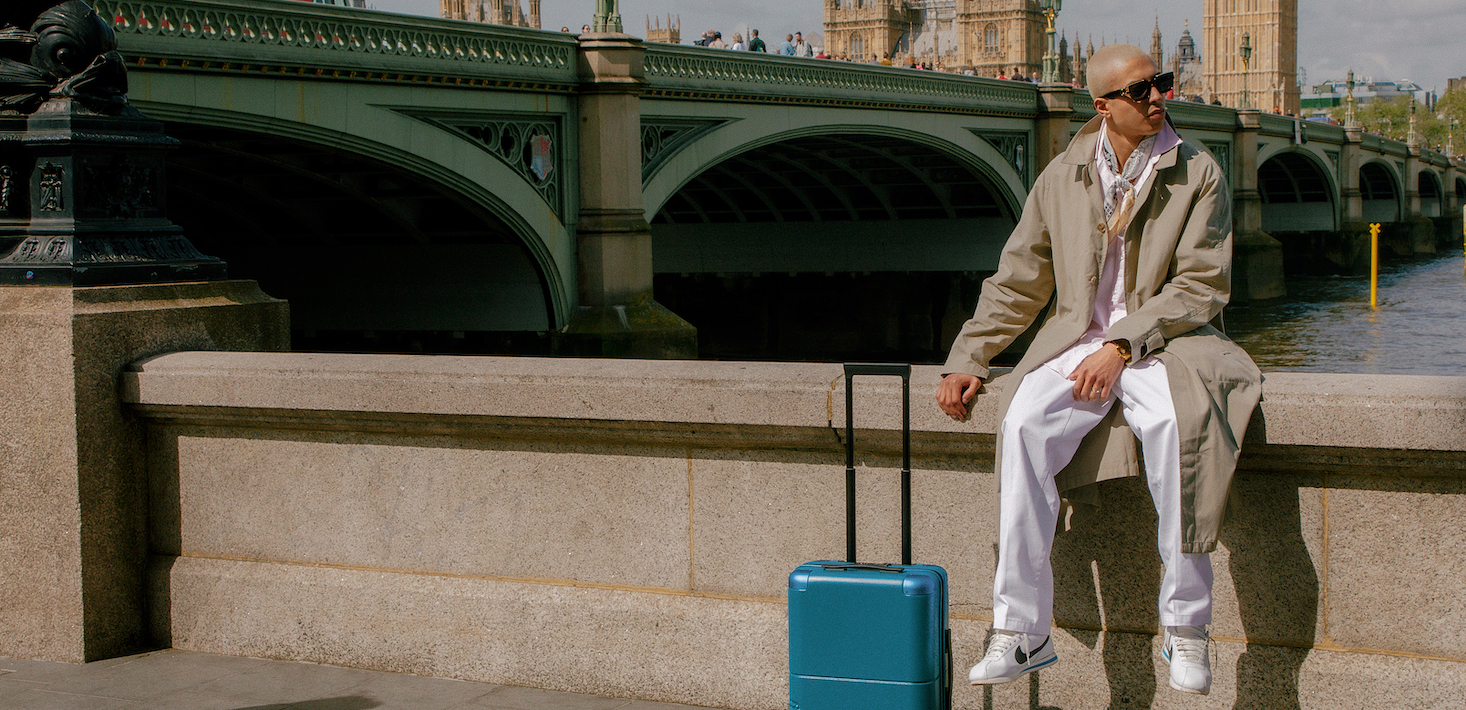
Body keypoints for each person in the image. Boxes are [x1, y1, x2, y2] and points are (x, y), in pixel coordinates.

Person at [936, 43, 1260, 697]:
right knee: (1022, 423)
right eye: (1142, 90)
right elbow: (1019, 280)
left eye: (1162, 84)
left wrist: (1122, 346)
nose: (1158, 97)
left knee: (1175, 428)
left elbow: (1201, 285)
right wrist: (970, 356)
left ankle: (1187, 630)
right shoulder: (1063, 175)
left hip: (1170, 342)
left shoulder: (1198, 172)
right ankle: (1021, 631)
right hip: (1078, 342)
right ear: (1103, 104)